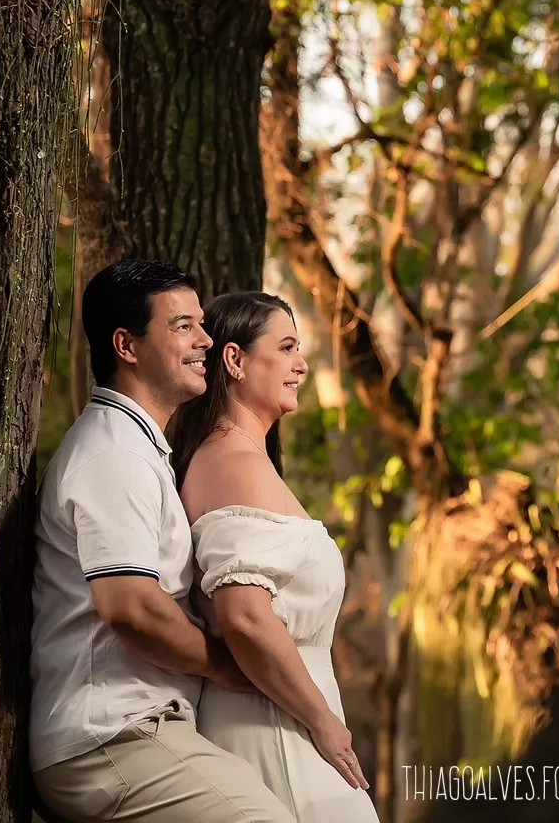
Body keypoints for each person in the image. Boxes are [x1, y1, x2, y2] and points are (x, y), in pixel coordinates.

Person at [31, 259, 295, 823]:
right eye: (182, 326)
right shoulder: (113, 453)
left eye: (201, 324)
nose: (205, 340)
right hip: (112, 737)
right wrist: (227, 666)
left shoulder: (139, 447)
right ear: (126, 346)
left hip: (140, 731)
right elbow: (131, 608)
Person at [173, 291, 379, 823]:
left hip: (285, 714)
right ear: (235, 360)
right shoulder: (232, 462)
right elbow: (244, 615)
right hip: (278, 725)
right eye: (286, 347)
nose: (301, 364)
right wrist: (322, 721)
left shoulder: (241, 458)